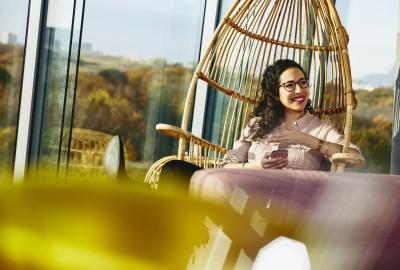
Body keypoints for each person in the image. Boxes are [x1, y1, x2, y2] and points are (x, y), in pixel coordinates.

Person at [223, 59, 362, 170]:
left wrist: (305, 139)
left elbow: (354, 156)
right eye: (290, 85)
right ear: (276, 94)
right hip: (248, 201)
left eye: (303, 82)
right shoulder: (257, 124)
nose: (299, 90)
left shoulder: (322, 129)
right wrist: (257, 166)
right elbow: (225, 166)